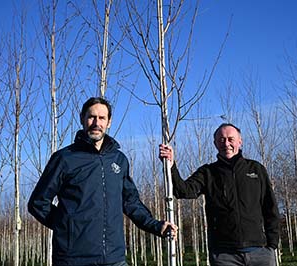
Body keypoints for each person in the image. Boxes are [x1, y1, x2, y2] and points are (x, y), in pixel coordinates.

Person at [28, 97, 177, 266]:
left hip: (114, 258)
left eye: (102, 118)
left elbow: (131, 202)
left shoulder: (119, 160)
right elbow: (38, 203)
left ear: (109, 122)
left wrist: (157, 226)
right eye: (91, 117)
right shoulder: (64, 159)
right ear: (82, 119)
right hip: (72, 259)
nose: (96, 123)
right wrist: (68, 228)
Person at [159, 123, 280, 266]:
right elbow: (183, 191)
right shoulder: (208, 172)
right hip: (224, 255)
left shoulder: (256, 169)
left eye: (230, 139)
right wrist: (171, 165)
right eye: (221, 140)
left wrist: (272, 245)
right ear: (215, 143)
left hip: (260, 252)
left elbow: (270, 207)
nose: (226, 143)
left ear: (240, 142)